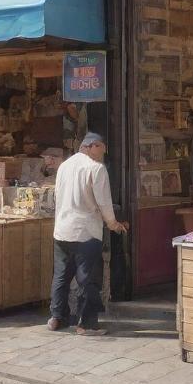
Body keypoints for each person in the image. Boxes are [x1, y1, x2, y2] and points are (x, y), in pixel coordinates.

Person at [48, 132, 128, 337]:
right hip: (85, 232)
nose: (103, 153)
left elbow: (57, 196)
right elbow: (103, 201)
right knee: (88, 279)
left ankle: (57, 317)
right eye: (101, 148)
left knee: (61, 276)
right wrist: (113, 224)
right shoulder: (96, 168)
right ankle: (86, 323)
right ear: (92, 146)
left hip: (62, 230)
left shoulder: (64, 166)